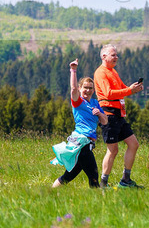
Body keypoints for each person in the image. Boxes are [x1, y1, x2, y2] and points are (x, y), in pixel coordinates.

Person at [51, 59, 108, 189]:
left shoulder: (95, 104)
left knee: (69, 175)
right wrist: (73, 70)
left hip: (88, 144)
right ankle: (98, 202)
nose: (87, 90)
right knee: (93, 175)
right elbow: (73, 88)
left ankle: (50, 193)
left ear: (93, 90)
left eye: (90, 88)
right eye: (85, 88)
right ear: (80, 88)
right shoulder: (78, 102)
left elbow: (105, 121)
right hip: (82, 143)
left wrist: (99, 114)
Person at [93, 43, 143, 188]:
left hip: (118, 114)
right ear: (104, 56)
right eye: (113, 55)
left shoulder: (113, 71)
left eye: (116, 54)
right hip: (109, 114)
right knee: (113, 150)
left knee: (133, 144)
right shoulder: (101, 72)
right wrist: (129, 91)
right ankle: (103, 183)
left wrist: (133, 88)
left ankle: (126, 180)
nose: (116, 57)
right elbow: (108, 93)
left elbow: (122, 88)